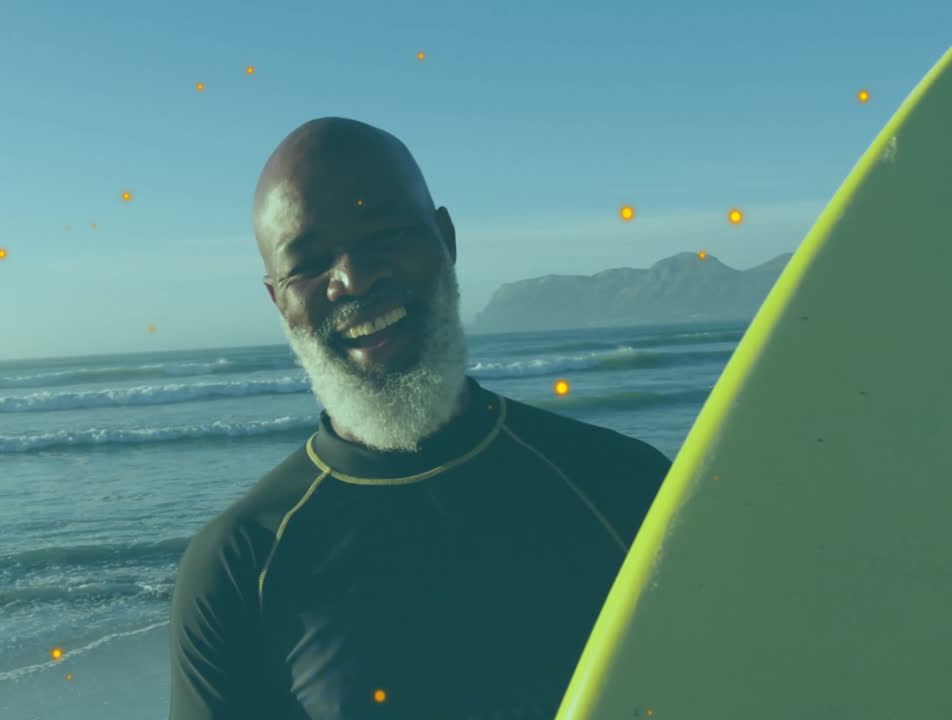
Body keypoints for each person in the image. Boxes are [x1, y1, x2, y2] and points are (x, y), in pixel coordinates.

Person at [169, 117, 672, 720]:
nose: (354, 277)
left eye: (385, 231)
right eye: (309, 263)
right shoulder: (237, 567)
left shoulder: (623, 486)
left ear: (446, 240)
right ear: (280, 301)